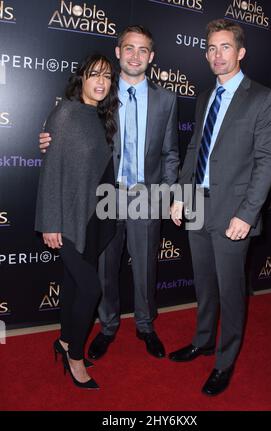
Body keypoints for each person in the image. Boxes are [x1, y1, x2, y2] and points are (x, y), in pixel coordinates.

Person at [39, 25, 179, 360]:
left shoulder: (166, 100)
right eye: (128, 48)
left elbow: (171, 152)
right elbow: (72, 127)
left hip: (146, 196)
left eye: (142, 50)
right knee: (104, 268)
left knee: (145, 268)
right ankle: (107, 327)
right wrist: (48, 140)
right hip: (105, 196)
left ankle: (145, 326)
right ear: (118, 53)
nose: (135, 56)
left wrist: (167, 193)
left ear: (151, 57)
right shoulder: (103, 93)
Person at [169, 19, 271, 396]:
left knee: (231, 291)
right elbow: (192, 151)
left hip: (234, 213)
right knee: (204, 284)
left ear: (241, 52)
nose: (217, 55)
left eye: (225, 47)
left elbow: (267, 162)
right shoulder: (204, 97)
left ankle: (225, 359)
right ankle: (203, 341)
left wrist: (247, 214)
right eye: (211, 48)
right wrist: (181, 195)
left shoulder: (264, 98)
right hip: (198, 206)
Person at [35, 53, 118, 389]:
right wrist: (51, 223)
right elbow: (51, 170)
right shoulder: (66, 112)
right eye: (94, 74)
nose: (100, 81)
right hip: (68, 218)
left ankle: (65, 340)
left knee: (72, 284)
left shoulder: (101, 116)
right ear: (81, 77)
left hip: (94, 216)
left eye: (107, 77)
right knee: (90, 287)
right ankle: (75, 356)